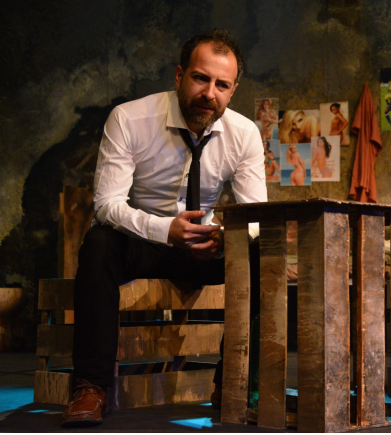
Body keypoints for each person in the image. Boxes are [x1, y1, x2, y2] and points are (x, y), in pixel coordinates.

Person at [61, 29, 267, 427]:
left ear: (233, 90)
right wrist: (164, 230)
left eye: (222, 85)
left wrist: (225, 239)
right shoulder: (129, 119)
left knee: (260, 252)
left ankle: (233, 383)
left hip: (203, 247)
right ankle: (91, 387)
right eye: (200, 78)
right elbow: (106, 205)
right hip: (142, 241)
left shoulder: (244, 134)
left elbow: (255, 217)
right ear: (179, 75)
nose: (209, 93)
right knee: (99, 242)